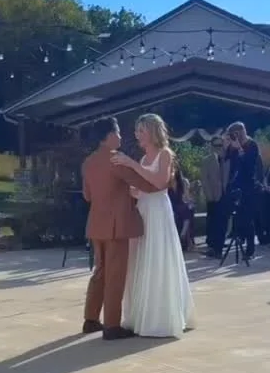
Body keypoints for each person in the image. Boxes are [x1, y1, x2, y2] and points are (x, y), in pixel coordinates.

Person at [111, 113, 195, 338]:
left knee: (158, 257)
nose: (137, 134)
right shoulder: (143, 159)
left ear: (152, 132)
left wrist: (130, 164)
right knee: (142, 259)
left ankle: (161, 318)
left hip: (158, 211)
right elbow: (142, 189)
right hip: (144, 209)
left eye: (141, 130)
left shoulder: (165, 154)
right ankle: (142, 315)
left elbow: (159, 182)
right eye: (137, 130)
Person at [81, 118, 158, 340]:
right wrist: (166, 180)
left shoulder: (88, 162)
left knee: (100, 271)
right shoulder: (116, 160)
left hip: (96, 224)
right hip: (117, 225)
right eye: (118, 132)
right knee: (115, 274)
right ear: (109, 136)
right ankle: (112, 325)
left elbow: (87, 195)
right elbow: (146, 184)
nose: (121, 136)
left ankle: (90, 319)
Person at [224, 122, 263, 259]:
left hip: (249, 185)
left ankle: (250, 250)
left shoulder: (252, 145)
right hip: (235, 184)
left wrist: (239, 149)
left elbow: (249, 166)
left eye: (235, 134)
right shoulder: (233, 146)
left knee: (248, 218)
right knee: (237, 217)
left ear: (241, 132)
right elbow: (227, 160)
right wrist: (227, 146)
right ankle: (238, 239)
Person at [200, 134, 230, 257]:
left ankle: (218, 248)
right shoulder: (207, 160)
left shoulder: (227, 159)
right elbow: (204, 179)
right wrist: (209, 196)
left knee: (222, 222)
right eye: (216, 145)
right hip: (212, 196)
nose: (219, 147)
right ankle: (212, 246)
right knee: (212, 222)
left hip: (225, 196)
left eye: (220, 145)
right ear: (211, 146)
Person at [168, 165, 196, 252]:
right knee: (185, 211)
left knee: (188, 209)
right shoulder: (166, 183)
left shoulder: (183, 182)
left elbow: (186, 197)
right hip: (170, 206)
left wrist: (190, 203)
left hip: (180, 205)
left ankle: (182, 235)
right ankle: (183, 237)